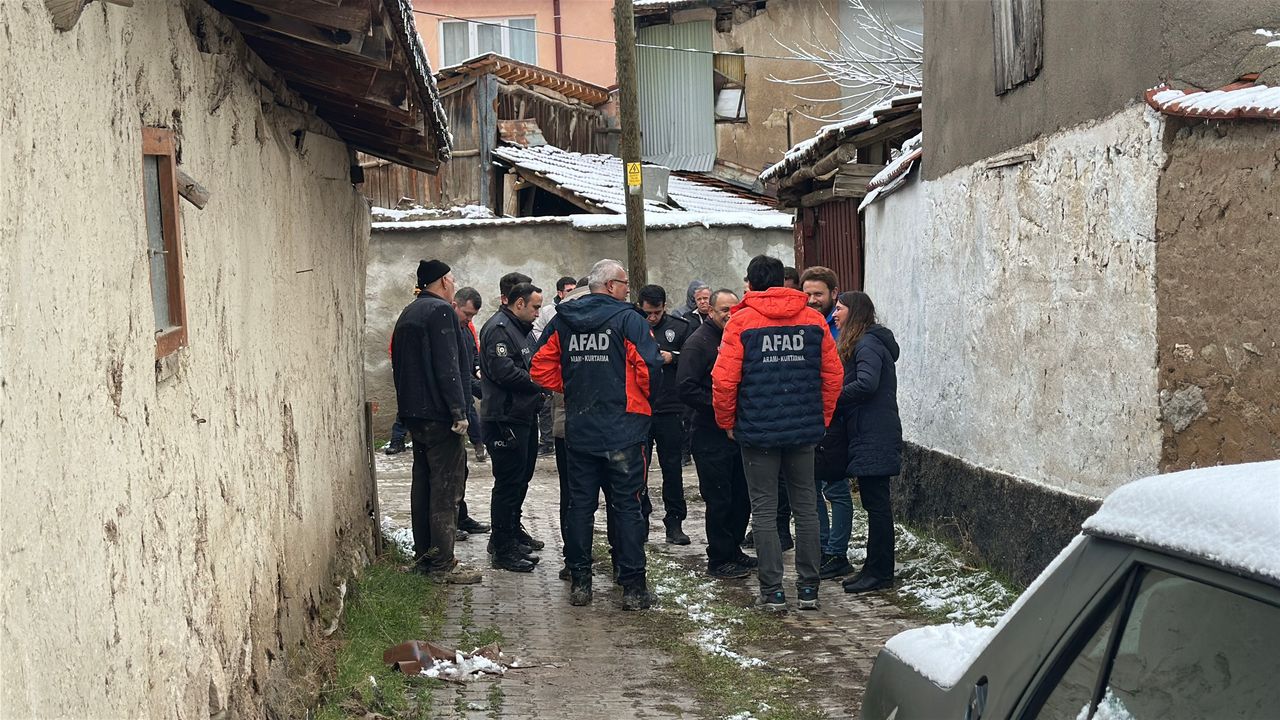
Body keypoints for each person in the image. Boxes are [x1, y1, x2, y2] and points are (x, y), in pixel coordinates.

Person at [712, 255, 842, 611]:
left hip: (757, 432)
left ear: (751, 283)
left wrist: (727, 422)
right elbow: (833, 376)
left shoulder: (741, 322)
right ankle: (809, 588)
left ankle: (772, 591)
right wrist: (821, 419)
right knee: (806, 507)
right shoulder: (813, 320)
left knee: (764, 510)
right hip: (803, 430)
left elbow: (724, 381)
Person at [532, 259, 662, 610]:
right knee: (628, 508)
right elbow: (649, 367)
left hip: (581, 430)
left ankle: (580, 583)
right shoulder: (629, 320)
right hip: (625, 430)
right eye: (624, 282)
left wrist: (574, 388)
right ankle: (633, 587)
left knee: (580, 507)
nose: (628, 289)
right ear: (610, 286)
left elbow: (539, 366)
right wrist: (638, 398)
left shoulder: (563, 320)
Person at [390, 259, 480, 584]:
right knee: (446, 489)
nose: (454, 284)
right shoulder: (440, 311)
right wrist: (459, 411)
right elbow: (448, 365)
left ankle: (424, 558)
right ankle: (442, 563)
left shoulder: (409, 312)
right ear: (442, 281)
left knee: (424, 487)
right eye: (452, 279)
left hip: (415, 414)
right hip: (440, 416)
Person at [678, 288, 757, 579]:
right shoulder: (698, 343)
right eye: (724, 310)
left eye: (734, 309)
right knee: (719, 498)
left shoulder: (738, 337)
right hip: (709, 433)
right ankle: (719, 558)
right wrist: (721, 405)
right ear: (710, 311)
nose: (730, 315)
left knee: (741, 496)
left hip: (739, 432)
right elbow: (685, 387)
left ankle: (733, 549)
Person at [833, 291, 903, 594]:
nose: (835, 314)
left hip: (873, 432)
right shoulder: (866, 342)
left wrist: (832, 398)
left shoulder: (868, 343)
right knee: (875, 504)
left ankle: (880, 572)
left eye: (839, 308)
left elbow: (867, 383)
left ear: (855, 312)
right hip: (869, 430)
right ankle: (874, 569)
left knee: (877, 505)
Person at [479, 282, 545, 572]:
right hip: (504, 417)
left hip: (523, 414)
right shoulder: (500, 329)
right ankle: (502, 548)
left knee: (521, 478)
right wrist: (538, 382)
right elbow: (503, 371)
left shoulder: (521, 329)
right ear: (519, 303)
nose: (538, 313)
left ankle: (510, 534)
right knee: (508, 482)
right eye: (535, 307)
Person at [637, 284, 693, 545]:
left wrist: (673, 357)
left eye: (657, 312)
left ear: (664, 307)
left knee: (672, 468)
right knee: (639, 469)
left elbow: (692, 358)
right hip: (640, 408)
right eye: (648, 312)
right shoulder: (632, 324)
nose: (652, 318)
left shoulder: (679, 327)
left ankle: (675, 521)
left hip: (670, 407)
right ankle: (641, 520)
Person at [453, 287, 490, 537]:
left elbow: (471, 362)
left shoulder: (465, 329)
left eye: (473, 316)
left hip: (465, 400)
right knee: (452, 471)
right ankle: (451, 521)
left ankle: (461, 516)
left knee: (461, 469)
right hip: (453, 408)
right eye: (467, 314)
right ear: (455, 305)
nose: (469, 320)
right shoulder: (449, 330)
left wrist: (480, 379)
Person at [534, 276, 577, 456]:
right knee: (549, 408)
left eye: (574, 289)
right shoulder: (549, 312)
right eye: (569, 290)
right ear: (560, 293)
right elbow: (537, 332)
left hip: (568, 370)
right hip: (555, 368)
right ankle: (547, 440)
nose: (573, 294)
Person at [800, 266, 840, 339]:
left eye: (818, 294)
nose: (811, 300)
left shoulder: (845, 325)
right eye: (807, 295)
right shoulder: (797, 324)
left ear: (834, 293)